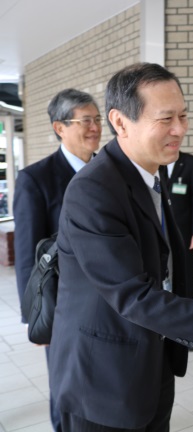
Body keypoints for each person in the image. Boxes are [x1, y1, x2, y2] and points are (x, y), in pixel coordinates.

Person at [48, 63, 193, 431]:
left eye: (183, 115)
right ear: (121, 122)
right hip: (102, 382)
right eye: (165, 119)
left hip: (151, 360)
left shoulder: (154, 172)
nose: (180, 129)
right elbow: (134, 296)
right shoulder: (93, 191)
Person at [13, 88, 102, 432]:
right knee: (66, 385)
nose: (95, 127)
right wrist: (33, 315)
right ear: (59, 127)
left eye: (97, 119)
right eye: (86, 120)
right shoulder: (37, 178)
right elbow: (27, 254)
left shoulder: (110, 170)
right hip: (64, 304)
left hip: (111, 299)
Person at [161, 151, 193, 293]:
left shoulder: (192, 163)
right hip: (161, 231)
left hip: (184, 233)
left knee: (186, 276)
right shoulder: (154, 162)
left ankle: (190, 309)